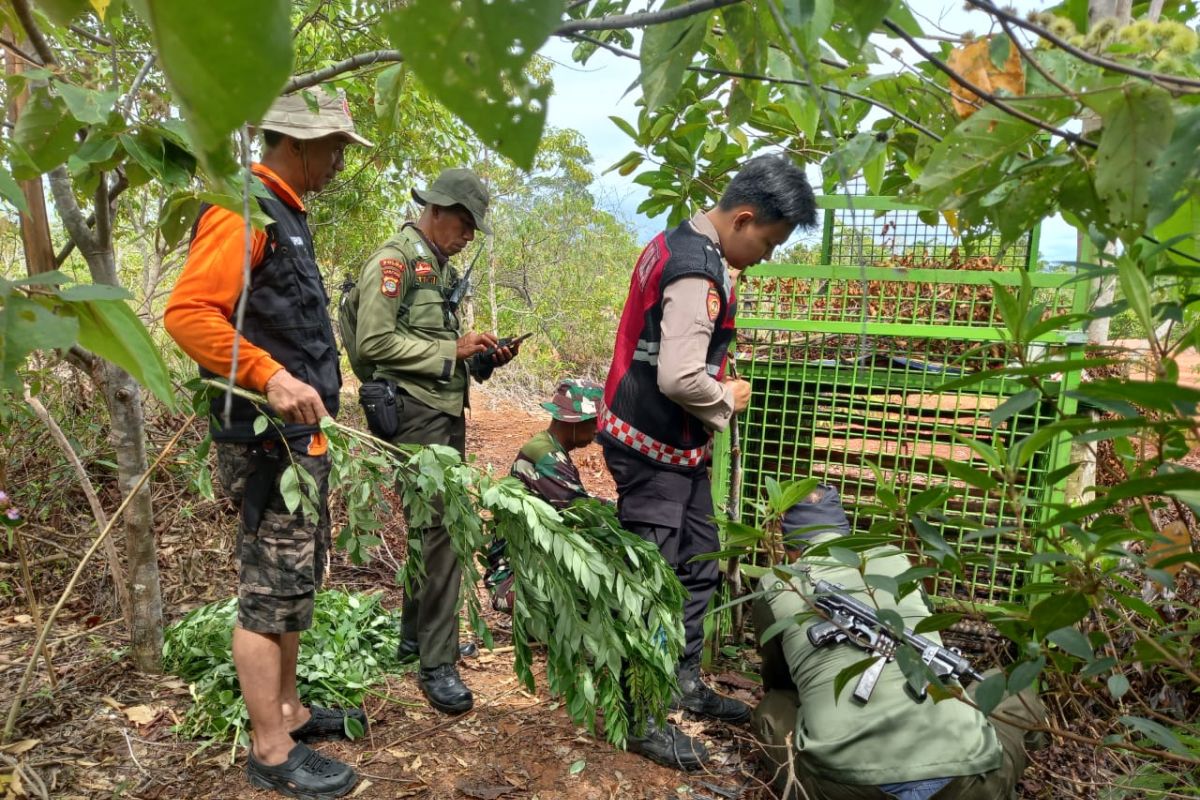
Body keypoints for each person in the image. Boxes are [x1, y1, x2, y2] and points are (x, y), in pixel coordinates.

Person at [164, 89, 371, 799]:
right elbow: (189, 313)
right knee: (265, 591)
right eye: (334, 146)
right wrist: (270, 375)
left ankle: (291, 710)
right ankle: (271, 749)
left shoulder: (287, 214)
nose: (340, 160)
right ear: (296, 142)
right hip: (263, 442)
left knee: (294, 585)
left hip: (298, 440)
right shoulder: (242, 209)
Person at [598, 154, 818, 770]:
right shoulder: (697, 270)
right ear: (744, 218)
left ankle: (682, 680)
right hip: (652, 447)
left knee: (697, 562)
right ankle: (638, 715)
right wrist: (727, 396)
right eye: (769, 241)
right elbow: (677, 374)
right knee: (653, 579)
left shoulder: (681, 243)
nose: (768, 255)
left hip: (676, 446)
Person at [343, 168, 517, 715]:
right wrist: (453, 352)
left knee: (431, 532)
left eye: (472, 229)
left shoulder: (434, 268)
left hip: (440, 413)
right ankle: (436, 665)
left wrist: (481, 359)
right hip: (413, 417)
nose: (467, 237)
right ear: (437, 210)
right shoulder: (393, 263)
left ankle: (417, 640)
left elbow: (434, 343)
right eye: (463, 224)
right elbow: (373, 342)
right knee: (441, 533)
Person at [751, 487, 1047, 800]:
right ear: (844, 533)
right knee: (1011, 688)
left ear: (790, 547)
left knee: (772, 709)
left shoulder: (776, 582)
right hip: (968, 782)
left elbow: (778, 679)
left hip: (845, 787)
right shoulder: (896, 560)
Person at [485, 379, 608, 612]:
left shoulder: (548, 448)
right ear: (573, 421)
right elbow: (585, 513)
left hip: (528, 565)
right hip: (512, 579)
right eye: (593, 422)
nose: (596, 430)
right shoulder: (546, 457)